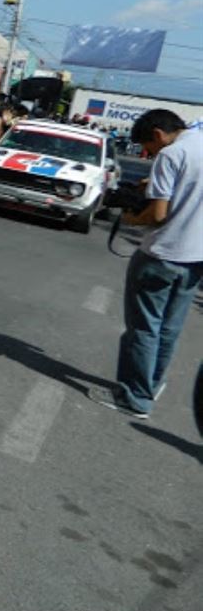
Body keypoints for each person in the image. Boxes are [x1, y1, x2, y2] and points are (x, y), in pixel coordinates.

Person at [91, 110, 203, 420]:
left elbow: (157, 215)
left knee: (143, 328)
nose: (149, 154)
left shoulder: (172, 154)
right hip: (196, 258)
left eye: (148, 149)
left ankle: (135, 397)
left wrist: (129, 219)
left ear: (157, 134)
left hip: (162, 254)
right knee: (169, 329)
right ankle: (151, 385)